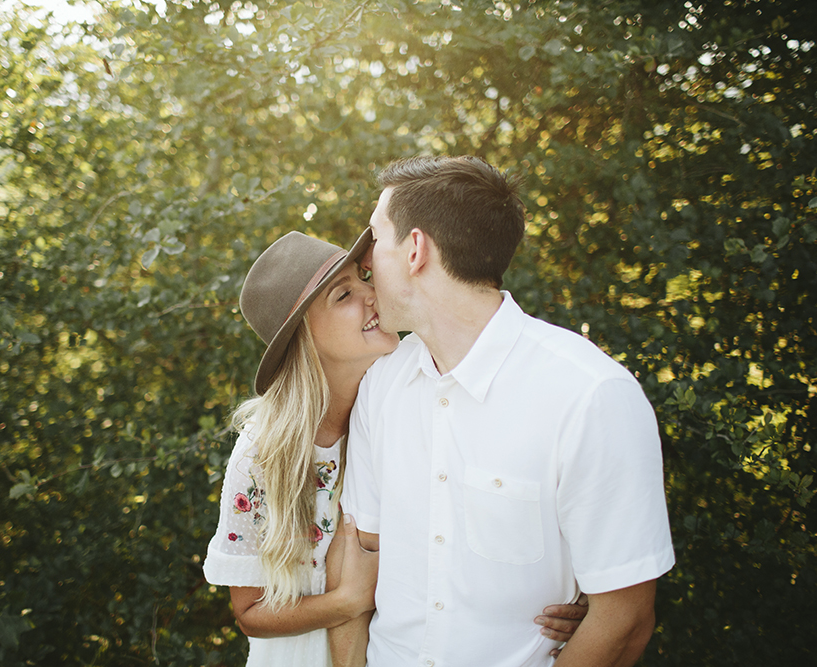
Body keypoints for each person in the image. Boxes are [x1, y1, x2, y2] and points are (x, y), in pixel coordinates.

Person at [333, 156, 676, 667]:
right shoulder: (381, 385)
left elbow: (624, 621)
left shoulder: (590, 395)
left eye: (376, 240)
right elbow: (362, 566)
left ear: (415, 250)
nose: (365, 263)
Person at [203, 229, 589, 667]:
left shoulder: (414, 395)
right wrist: (347, 600)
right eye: (344, 294)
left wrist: (564, 597)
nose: (371, 295)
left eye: (365, 278)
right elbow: (250, 613)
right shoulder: (264, 454)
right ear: (304, 338)